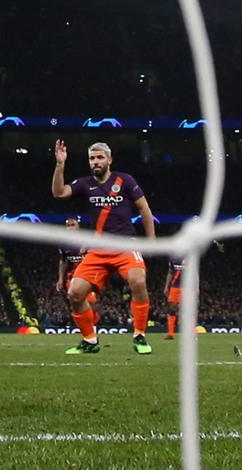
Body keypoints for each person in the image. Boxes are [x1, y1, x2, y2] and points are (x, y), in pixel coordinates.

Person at [52, 140, 157, 355]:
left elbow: (145, 209)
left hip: (125, 245)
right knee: (74, 293)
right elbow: (59, 193)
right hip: (98, 249)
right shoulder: (85, 184)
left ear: (109, 160)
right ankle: (90, 341)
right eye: (92, 158)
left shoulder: (125, 180)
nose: (96, 162)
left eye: (100, 157)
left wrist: (152, 241)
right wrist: (60, 165)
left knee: (138, 280)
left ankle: (139, 335)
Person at [56, 216, 100, 326]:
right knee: (76, 301)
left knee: (91, 302)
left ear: (78, 226)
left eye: (73, 225)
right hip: (72, 277)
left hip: (87, 275)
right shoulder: (62, 243)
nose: (70, 228)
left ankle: (92, 324)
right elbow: (63, 261)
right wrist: (60, 279)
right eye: (68, 226)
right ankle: (85, 328)